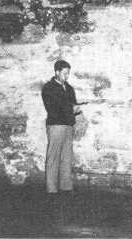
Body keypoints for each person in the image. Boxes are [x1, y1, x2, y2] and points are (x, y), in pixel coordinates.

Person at [41, 60, 81, 196]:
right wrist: (70, 108)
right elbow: (52, 107)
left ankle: (66, 186)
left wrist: (76, 107)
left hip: (68, 125)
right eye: (64, 73)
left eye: (68, 74)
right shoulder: (48, 88)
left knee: (67, 157)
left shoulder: (69, 88)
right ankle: (51, 189)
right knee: (53, 156)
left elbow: (72, 102)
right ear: (57, 72)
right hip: (56, 125)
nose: (67, 76)